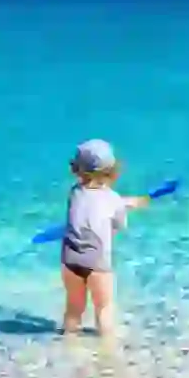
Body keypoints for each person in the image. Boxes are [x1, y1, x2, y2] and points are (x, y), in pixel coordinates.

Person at [60, 139, 150, 338]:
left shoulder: (74, 193)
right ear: (112, 171)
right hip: (97, 263)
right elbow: (118, 225)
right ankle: (108, 350)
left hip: (70, 260)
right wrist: (126, 205)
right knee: (104, 307)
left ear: (77, 169)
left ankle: (69, 340)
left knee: (74, 307)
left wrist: (125, 202)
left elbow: (95, 206)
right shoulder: (113, 199)